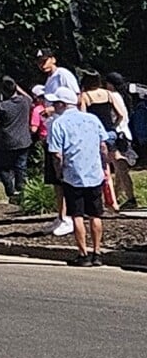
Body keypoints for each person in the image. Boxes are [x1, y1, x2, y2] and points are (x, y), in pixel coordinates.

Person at [44, 95, 114, 266]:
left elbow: (57, 154)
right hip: (94, 172)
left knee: (77, 215)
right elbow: (103, 146)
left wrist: (59, 172)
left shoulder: (58, 124)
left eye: (55, 103)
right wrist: (104, 165)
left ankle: (83, 254)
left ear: (62, 104)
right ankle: (97, 253)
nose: (53, 107)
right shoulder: (92, 119)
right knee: (95, 214)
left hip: (73, 174)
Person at [80, 72, 133, 212]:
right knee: (116, 164)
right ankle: (122, 197)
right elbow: (121, 114)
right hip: (110, 132)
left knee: (102, 168)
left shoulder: (85, 96)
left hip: (95, 134)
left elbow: (83, 118)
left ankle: (108, 201)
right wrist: (114, 127)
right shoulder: (108, 94)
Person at [0, 76, 34, 205]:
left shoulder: (1, 106)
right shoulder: (25, 102)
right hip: (24, 140)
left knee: (3, 168)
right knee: (21, 167)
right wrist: (17, 87)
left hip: (6, 142)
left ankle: (10, 190)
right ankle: (22, 190)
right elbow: (31, 98)